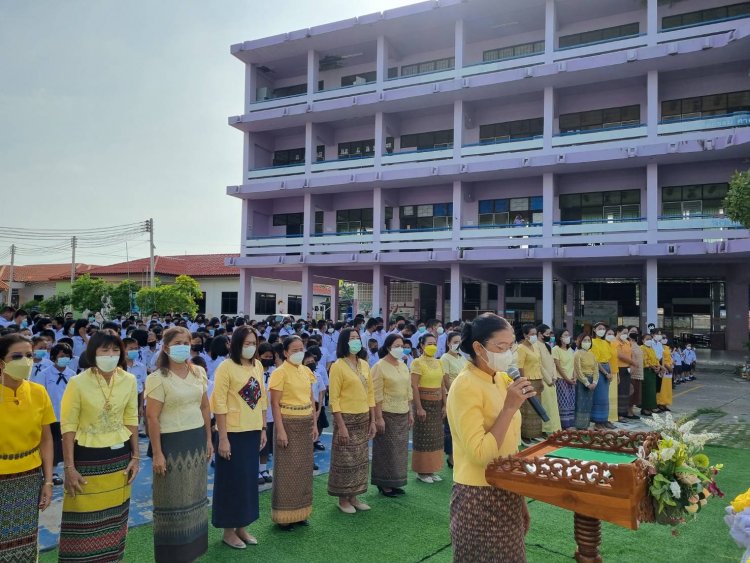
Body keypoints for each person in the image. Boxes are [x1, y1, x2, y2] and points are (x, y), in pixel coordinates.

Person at [446, 313, 533, 562]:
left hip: (508, 487)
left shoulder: (502, 378)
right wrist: (509, 408)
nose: (508, 353)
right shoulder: (465, 385)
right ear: (478, 347)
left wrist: (520, 497)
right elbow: (481, 453)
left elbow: (511, 444)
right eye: (501, 347)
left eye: (511, 346)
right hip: (478, 495)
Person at [59, 331, 139, 562]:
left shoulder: (129, 380)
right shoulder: (77, 382)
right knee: (83, 520)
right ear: (93, 353)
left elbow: (131, 418)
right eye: (104, 350)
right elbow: (68, 427)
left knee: (115, 518)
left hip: (119, 460)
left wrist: (135, 456)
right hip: (86, 459)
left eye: (115, 350)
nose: (110, 355)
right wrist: (69, 468)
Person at [145, 327, 212, 562]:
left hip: (195, 441)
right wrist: (158, 453)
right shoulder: (157, 378)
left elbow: (205, 407)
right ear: (165, 347)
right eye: (177, 343)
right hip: (171, 444)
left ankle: (192, 552)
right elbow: (152, 417)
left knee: (195, 497)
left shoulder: (199, 372)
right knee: (171, 501)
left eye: (187, 342)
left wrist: (208, 439)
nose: (184, 346)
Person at [210, 326, 267, 549]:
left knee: (247, 482)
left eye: (254, 343)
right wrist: (223, 438)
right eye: (246, 344)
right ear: (235, 345)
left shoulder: (258, 366)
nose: (251, 347)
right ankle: (228, 531)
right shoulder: (226, 367)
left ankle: (243, 526)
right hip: (232, 433)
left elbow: (261, 398)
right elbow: (219, 404)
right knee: (231, 483)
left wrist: (263, 428)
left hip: (252, 431)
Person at [0, 334, 55, 562]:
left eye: (29, 355)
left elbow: (46, 440)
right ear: (1, 362)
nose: (25, 361)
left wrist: (48, 480)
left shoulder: (38, 392)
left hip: (28, 477)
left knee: (22, 540)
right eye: (17, 356)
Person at [268, 336, 318, 528]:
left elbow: (311, 399)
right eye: (294, 350)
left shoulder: (306, 371)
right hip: (288, 422)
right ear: (285, 352)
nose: (299, 352)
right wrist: (280, 430)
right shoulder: (279, 373)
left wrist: (314, 424)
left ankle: (300, 512)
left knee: (304, 469)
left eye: (301, 349)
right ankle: (284, 516)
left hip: (305, 422)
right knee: (287, 470)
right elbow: (274, 403)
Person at [327, 328, 376, 513]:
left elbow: (370, 393)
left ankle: (354, 496)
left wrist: (372, 420)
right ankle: (343, 499)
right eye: (352, 338)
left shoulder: (364, 364)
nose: (356, 341)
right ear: (344, 342)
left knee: (360, 460)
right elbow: (334, 399)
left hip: (363, 417)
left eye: (357, 338)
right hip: (346, 418)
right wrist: (341, 426)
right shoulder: (338, 366)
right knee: (345, 460)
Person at [371, 334, 413, 497]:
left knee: (399, 450)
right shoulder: (379, 366)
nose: (400, 348)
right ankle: (384, 483)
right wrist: (378, 417)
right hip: (387, 413)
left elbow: (408, 389)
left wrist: (410, 411)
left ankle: (396, 482)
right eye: (397, 345)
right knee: (386, 450)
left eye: (402, 345)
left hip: (402, 412)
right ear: (388, 347)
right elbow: (376, 394)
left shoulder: (403, 364)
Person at [410, 332, 446, 483]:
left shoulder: (439, 362)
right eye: (429, 343)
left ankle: (432, 470)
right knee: (423, 438)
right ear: (422, 346)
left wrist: (445, 403)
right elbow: (414, 385)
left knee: (435, 439)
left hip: (437, 404)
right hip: (424, 404)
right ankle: (422, 472)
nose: (432, 346)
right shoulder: (417, 363)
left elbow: (442, 384)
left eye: (434, 344)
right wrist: (419, 407)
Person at [40, 342, 75, 484]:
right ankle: (50, 472)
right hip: (50, 415)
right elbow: (41, 395)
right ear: (54, 357)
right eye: (61, 356)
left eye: (67, 356)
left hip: (66, 416)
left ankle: (66, 468)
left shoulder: (72, 374)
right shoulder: (45, 374)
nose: (64, 359)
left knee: (65, 443)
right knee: (51, 443)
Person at [441, 331, 467, 468]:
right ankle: (451, 458)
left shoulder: (462, 358)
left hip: (464, 396)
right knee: (450, 429)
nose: (457, 345)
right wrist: (456, 393)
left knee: (461, 427)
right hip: (452, 396)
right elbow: (445, 380)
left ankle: (460, 455)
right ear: (448, 343)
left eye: (459, 342)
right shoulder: (445, 358)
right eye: (455, 342)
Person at [516, 324, 544, 442]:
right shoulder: (521, 348)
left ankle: (535, 433)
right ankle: (525, 435)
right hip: (528, 380)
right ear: (525, 335)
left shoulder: (535, 346)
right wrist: (524, 382)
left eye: (535, 334)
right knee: (527, 408)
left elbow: (538, 364)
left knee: (536, 408)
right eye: (531, 334)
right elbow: (520, 366)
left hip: (537, 380)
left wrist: (541, 380)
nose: (534, 336)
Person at [536, 324, 561, 435]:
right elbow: (539, 365)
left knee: (553, 406)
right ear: (540, 334)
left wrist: (554, 377)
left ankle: (555, 428)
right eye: (547, 333)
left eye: (550, 333)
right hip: (544, 381)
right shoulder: (535, 346)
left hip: (552, 380)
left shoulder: (547, 346)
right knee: (546, 405)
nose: (549, 336)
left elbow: (552, 363)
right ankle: (546, 429)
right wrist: (548, 380)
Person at [590, 323, 615, 430]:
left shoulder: (606, 343)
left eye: (604, 328)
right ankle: (597, 421)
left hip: (607, 368)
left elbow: (609, 358)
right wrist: (605, 373)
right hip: (599, 370)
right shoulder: (592, 342)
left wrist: (611, 372)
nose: (602, 330)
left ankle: (604, 419)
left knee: (605, 398)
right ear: (594, 330)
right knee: (599, 397)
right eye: (600, 328)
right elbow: (595, 360)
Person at [573, 333, 598, 429]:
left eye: (588, 340)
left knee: (588, 404)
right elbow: (578, 370)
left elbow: (596, 369)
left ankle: (586, 425)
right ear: (579, 341)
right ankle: (579, 426)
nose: (587, 342)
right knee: (580, 403)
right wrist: (587, 383)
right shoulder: (577, 354)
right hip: (582, 382)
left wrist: (595, 382)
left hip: (592, 381)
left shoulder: (592, 354)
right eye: (584, 340)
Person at [552, 329, 576, 429]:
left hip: (571, 379)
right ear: (560, 337)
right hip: (561, 379)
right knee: (563, 401)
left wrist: (574, 377)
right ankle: (564, 424)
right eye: (565, 335)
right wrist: (567, 379)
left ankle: (570, 423)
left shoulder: (570, 350)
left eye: (568, 335)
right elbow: (558, 366)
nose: (568, 337)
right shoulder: (555, 349)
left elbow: (573, 365)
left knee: (571, 401)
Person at [614, 325, 638, 421]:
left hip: (627, 368)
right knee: (619, 391)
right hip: (618, 368)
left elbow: (631, 354)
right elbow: (620, 355)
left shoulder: (627, 342)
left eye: (626, 333)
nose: (625, 335)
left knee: (625, 391)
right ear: (618, 332)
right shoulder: (615, 342)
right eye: (623, 332)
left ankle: (624, 413)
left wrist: (632, 365)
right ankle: (618, 414)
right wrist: (633, 363)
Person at [640, 333, 660, 417]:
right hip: (647, 370)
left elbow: (656, 359)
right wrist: (653, 367)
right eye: (646, 339)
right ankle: (645, 408)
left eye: (650, 339)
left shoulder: (651, 348)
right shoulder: (642, 348)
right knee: (647, 390)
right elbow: (645, 360)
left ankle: (651, 407)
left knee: (652, 390)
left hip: (653, 372)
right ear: (642, 340)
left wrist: (658, 367)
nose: (648, 341)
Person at [628, 327, 644, 418]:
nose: (634, 333)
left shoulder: (637, 345)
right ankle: (628, 411)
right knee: (631, 392)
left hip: (639, 372)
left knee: (636, 394)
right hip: (632, 372)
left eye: (635, 331)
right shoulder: (628, 344)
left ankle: (631, 410)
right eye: (631, 331)